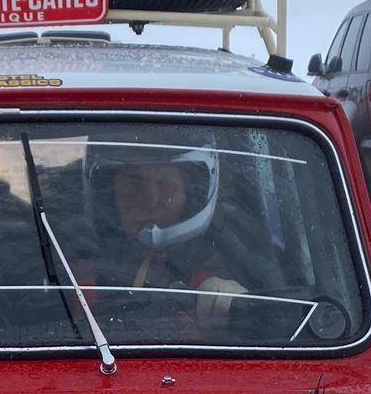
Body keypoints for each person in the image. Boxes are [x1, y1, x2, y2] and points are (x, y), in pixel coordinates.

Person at [78, 139, 250, 329]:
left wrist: (233, 304)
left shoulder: (226, 261)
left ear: (188, 195)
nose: (151, 200)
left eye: (166, 184)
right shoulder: (71, 265)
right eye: (133, 183)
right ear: (108, 196)